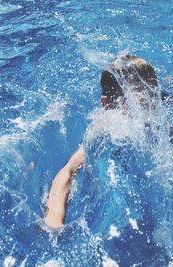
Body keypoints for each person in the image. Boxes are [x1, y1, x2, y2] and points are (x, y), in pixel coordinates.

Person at [43, 55, 160, 229]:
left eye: (152, 92)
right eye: (138, 98)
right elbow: (68, 169)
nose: (150, 102)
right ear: (108, 105)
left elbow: (170, 168)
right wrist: (54, 217)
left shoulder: (159, 124)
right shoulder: (104, 131)